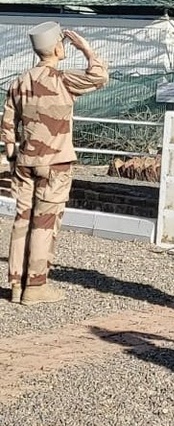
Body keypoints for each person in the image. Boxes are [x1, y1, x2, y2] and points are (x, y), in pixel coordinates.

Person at [2, 24, 109, 305]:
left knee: (22, 221)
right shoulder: (63, 79)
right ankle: (35, 287)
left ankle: (16, 284)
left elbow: (8, 125)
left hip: (25, 162)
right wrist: (86, 49)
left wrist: (13, 154)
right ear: (59, 49)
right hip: (56, 163)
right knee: (44, 224)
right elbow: (99, 77)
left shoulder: (20, 81)